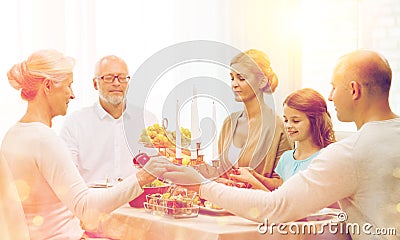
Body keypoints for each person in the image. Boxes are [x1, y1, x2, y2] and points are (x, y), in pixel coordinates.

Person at [162, 49, 400, 240]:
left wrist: (200, 185)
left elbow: (274, 207)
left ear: (354, 90)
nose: (330, 96)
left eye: (334, 87)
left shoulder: (348, 153)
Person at [1, 49, 170, 239]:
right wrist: (143, 177)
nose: (72, 95)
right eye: (68, 86)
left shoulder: (12, 135)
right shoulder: (45, 139)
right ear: (48, 86)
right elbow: (86, 208)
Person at [200, 49, 292, 190]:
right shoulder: (229, 123)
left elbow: (283, 182)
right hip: (225, 204)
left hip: (258, 206)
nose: (234, 84)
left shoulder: (278, 126)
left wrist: (253, 180)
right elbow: (220, 172)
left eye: (241, 78)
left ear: (261, 82)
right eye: (232, 78)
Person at [60, 55, 157, 187]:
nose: (116, 83)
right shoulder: (75, 123)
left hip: (137, 203)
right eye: (109, 78)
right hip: (92, 203)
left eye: (122, 78)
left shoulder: (148, 120)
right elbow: (67, 177)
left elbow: (158, 171)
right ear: (95, 84)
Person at [230, 88, 335, 190]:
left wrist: (255, 183)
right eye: (286, 120)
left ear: (315, 121)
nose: (288, 125)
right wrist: (255, 176)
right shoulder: (287, 157)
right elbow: (281, 185)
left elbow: (287, 203)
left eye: (295, 121)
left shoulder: (324, 159)